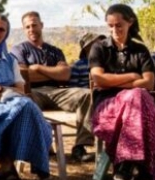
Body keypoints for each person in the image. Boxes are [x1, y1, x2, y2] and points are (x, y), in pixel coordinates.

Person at [90, 4, 155, 180]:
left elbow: (149, 83)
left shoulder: (140, 50)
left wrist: (114, 81)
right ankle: (143, 169)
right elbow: (98, 79)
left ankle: (126, 166)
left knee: (138, 98)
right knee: (137, 96)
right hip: (108, 108)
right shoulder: (99, 48)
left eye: (119, 25)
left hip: (139, 108)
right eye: (110, 25)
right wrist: (131, 77)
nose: (115, 29)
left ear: (130, 22)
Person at [0, 15, 53, 180]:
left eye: (1, 29)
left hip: (10, 104)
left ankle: (8, 166)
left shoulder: (10, 60)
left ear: (6, 34)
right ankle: (11, 165)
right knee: (23, 106)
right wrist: (2, 91)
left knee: (25, 106)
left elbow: (21, 90)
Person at [10, 11, 96, 163]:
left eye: (34, 25)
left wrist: (37, 68)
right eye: (27, 26)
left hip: (58, 91)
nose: (31, 29)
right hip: (33, 92)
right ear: (24, 29)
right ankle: (40, 147)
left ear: (41, 25)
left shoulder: (55, 51)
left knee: (86, 94)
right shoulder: (19, 50)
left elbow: (65, 74)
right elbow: (23, 76)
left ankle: (80, 147)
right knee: (25, 103)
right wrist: (52, 72)